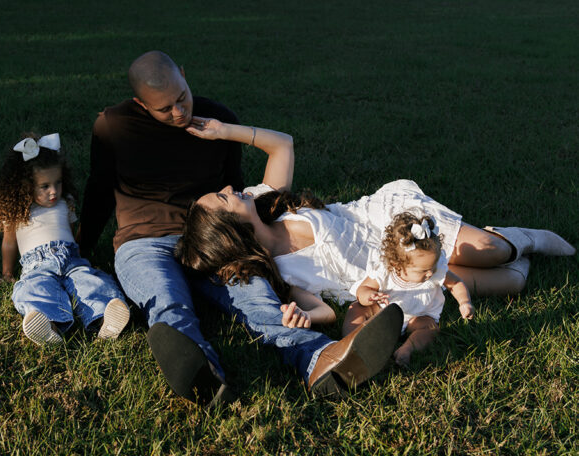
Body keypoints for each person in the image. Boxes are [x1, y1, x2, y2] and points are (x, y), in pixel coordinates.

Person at [79, 51, 404, 406]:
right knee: (169, 305)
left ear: (185, 75)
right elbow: (98, 190)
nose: (179, 112)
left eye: (182, 98)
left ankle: (319, 359)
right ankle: (203, 374)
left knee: (260, 302)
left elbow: (232, 189)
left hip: (214, 237)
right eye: (164, 109)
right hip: (143, 241)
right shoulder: (114, 125)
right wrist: (82, 246)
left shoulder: (218, 119)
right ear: (141, 103)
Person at [178, 122, 575, 350]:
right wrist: (301, 317)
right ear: (231, 232)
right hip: (393, 276)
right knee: (512, 282)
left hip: (386, 223)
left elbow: (282, 145)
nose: (230, 190)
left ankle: (518, 238)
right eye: (222, 199)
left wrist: (223, 130)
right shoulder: (283, 273)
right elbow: (326, 312)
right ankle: (504, 254)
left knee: (489, 251)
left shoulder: (267, 201)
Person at [0, 133, 130, 345]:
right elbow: (9, 242)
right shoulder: (18, 210)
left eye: (58, 183)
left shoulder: (66, 202)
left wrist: (80, 254)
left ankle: (105, 318)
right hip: (37, 264)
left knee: (89, 282)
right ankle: (48, 325)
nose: (54, 191)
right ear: (26, 186)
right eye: (45, 186)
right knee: (36, 288)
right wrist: (7, 273)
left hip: (71, 257)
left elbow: (70, 232)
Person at [349, 210, 475, 368]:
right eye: (423, 270)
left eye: (432, 267)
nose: (430, 273)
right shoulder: (385, 270)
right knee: (356, 308)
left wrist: (465, 302)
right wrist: (369, 295)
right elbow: (364, 288)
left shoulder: (435, 271)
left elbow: (455, 283)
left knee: (430, 328)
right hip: (383, 312)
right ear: (397, 265)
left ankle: (406, 349)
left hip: (418, 317)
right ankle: (351, 343)